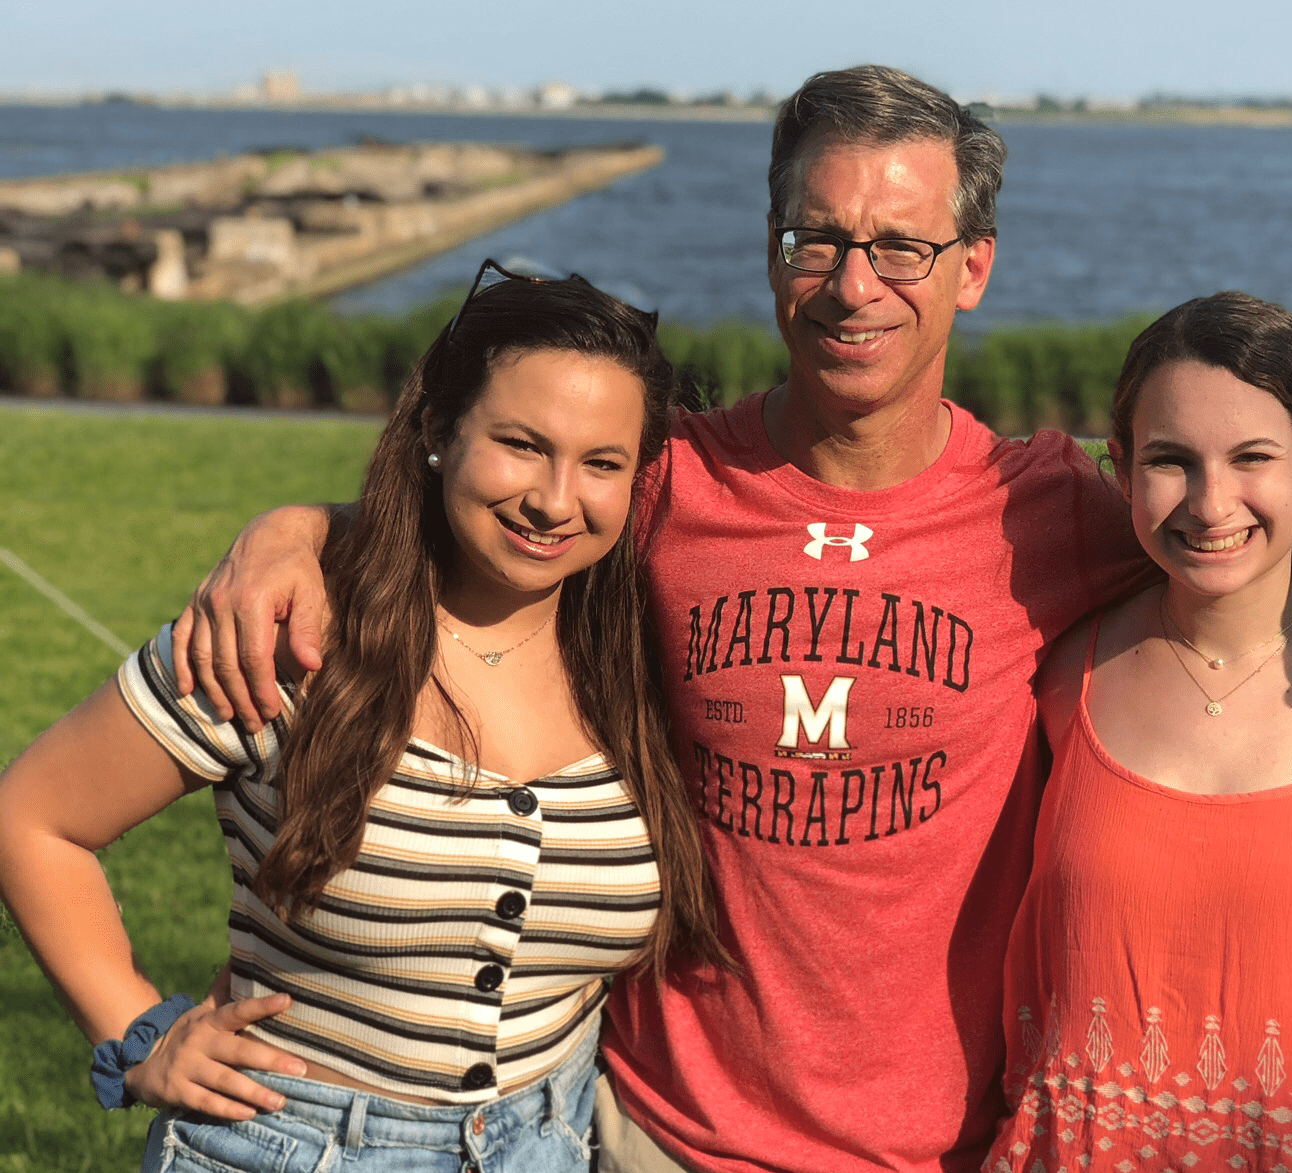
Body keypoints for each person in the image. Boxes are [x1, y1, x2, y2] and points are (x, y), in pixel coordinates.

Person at [167, 66, 1151, 1172]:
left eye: (900, 248)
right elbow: (491, 520)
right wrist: (299, 529)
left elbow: (1239, 585)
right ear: (772, 248)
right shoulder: (670, 484)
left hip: (934, 1147)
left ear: (971, 268)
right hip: (648, 1132)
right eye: (814, 239)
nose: (850, 285)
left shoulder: (1051, 510)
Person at [0, 263, 722, 1172]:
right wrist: (139, 1035)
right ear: (436, 428)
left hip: (553, 1140)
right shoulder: (290, 636)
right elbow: (32, 816)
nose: (554, 498)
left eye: (602, 463)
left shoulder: (639, 663)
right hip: (290, 1145)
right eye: (522, 444)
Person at [985, 293, 1292, 1173]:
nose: (1209, 500)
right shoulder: (1050, 676)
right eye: (1170, 460)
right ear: (1120, 468)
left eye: (1251, 457)